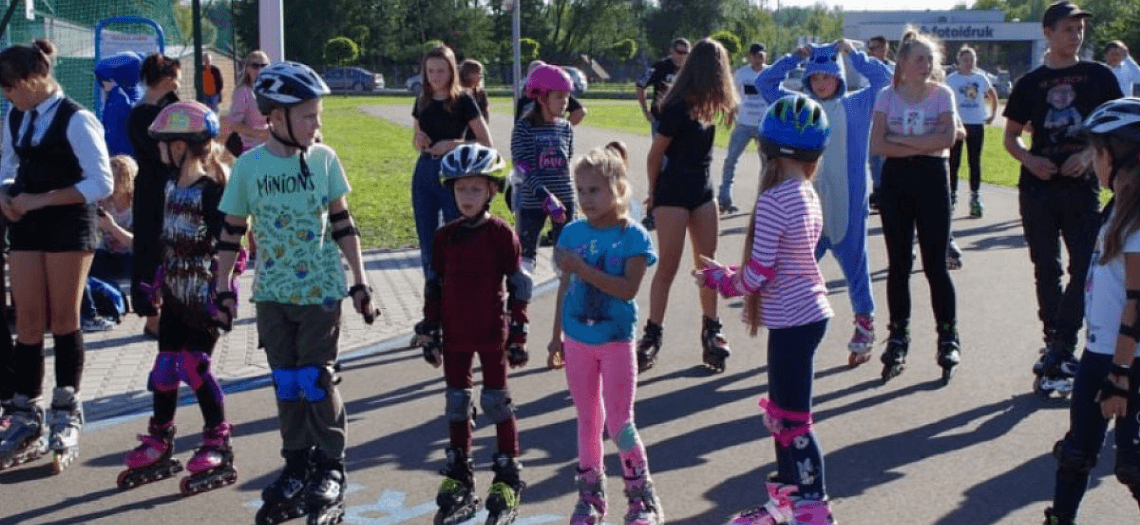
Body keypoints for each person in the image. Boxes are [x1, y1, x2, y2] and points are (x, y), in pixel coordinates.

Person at [213, 61, 374, 524]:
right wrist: (224, 288)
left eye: (318, 115)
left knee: (316, 378)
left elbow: (343, 222)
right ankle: (297, 463)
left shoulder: (324, 160)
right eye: (309, 116)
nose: (317, 125)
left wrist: (360, 281)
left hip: (322, 289)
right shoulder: (248, 167)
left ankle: (331, 466)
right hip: (272, 294)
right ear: (276, 117)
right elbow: (231, 233)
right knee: (286, 381)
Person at [696, 93, 837, 525]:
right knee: (782, 415)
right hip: (805, 314)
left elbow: (757, 278)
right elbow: (777, 265)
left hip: (795, 319)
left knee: (793, 419)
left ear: (765, 148)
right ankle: (787, 502)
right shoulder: (806, 193)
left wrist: (723, 281)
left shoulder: (776, 200)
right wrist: (735, 273)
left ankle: (812, 505)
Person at [0, 39, 113, 473]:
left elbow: (100, 182)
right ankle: (26, 413)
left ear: (31, 80)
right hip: (26, 222)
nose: (7, 96)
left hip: (68, 225)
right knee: (27, 320)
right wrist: (7, 194)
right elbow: (8, 165)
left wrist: (43, 199)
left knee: (63, 319)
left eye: (10, 88)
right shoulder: (15, 116)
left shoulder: (77, 118)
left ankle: (67, 409)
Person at [117, 101, 240, 494]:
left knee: (194, 364)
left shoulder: (212, 190)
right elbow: (169, 241)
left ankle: (217, 439)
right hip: (173, 294)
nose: (160, 149)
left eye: (165, 143)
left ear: (183, 145)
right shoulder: (171, 186)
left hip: (202, 295)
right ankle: (160, 439)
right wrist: (155, 281)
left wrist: (225, 291)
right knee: (165, 369)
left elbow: (235, 245)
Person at [1002, 0, 1123, 397]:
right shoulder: (1030, 83)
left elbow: (1118, 127)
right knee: (1046, 267)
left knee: (1084, 265)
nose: (1076, 35)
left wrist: (1090, 155)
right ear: (1048, 33)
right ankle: (1055, 341)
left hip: (1082, 188)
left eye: (1079, 29)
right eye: (1068, 29)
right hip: (1038, 186)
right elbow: (1012, 135)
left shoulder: (1098, 76)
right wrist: (1029, 158)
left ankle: (1062, 346)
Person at [548, 142, 664, 525]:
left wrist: (582, 266)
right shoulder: (571, 234)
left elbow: (627, 289)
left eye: (594, 190)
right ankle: (590, 498)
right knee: (586, 419)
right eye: (580, 190)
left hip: (615, 342)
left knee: (619, 421)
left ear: (617, 188)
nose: (586, 198)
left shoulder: (632, 236)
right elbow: (564, 288)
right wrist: (555, 337)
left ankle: (641, 498)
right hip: (577, 341)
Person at [414, 144, 530, 525]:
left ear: (493, 190)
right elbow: (435, 286)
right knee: (456, 402)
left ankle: (507, 470)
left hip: (491, 334)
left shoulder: (501, 234)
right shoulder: (444, 237)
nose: (466, 197)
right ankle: (461, 469)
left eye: (475, 189)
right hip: (455, 334)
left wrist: (518, 334)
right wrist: (430, 328)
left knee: (497, 401)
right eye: (461, 189)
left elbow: (518, 286)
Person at [758, 38, 891, 367]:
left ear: (839, 77)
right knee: (795, 271)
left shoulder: (858, 106)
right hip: (808, 212)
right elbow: (764, 83)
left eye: (827, 77)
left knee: (857, 270)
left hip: (848, 207)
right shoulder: (799, 108)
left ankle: (864, 326)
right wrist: (793, 58)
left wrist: (854, 54)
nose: (821, 83)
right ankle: (793, 325)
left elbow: (883, 79)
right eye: (815, 78)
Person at [1042, 97, 1140, 525]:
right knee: (1077, 451)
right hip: (1098, 355)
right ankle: (1060, 519)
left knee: (1132, 462)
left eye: (1096, 152)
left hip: (1127, 361)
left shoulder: (1137, 223)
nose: (1091, 162)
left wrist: (1119, 377)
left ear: (1119, 156)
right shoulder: (1116, 211)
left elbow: (1137, 304)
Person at [636, 38, 738, 373]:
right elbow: (655, 155)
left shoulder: (711, 104)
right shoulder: (678, 106)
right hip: (673, 192)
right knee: (668, 266)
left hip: (702, 191)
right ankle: (652, 334)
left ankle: (712, 329)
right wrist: (653, 194)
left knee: (709, 267)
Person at [870, 27, 962, 384]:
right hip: (896, 182)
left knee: (935, 264)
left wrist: (903, 143)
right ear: (904, 64)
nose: (926, 65)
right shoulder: (886, 96)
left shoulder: (943, 95)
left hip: (932, 180)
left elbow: (948, 139)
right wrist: (924, 145)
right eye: (919, 59)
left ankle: (948, 335)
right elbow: (878, 144)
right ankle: (898, 335)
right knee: (898, 265)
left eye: (930, 59)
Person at [411, 44, 491, 280]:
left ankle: (458, 294)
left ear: (452, 72)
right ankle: (433, 299)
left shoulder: (464, 100)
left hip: (455, 174)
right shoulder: (422, 100)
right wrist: (419, 140)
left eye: (441, 71)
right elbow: (417, 137)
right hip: (425, 170)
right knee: (427, 241)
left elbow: (485, 142)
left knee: (456, 237)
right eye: (430, 71)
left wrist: (453, 144)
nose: (435, 77)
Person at [128, 53, 181, 340]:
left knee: (176, 245)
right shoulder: (141, 114)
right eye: (176, 75)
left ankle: (176, 307)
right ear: (165, 78)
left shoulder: (172, 106)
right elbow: (161, 156)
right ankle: (151, 315)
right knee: (150, 248)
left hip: (176, 185)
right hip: (152, 189)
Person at [511, 64, 575, 273]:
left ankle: (567, 300)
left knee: (565, 259)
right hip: (534, 200)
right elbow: (523, 165)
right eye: (559, 97)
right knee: (526, 257)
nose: (564, 103)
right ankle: (520, 299)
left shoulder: (566, 127)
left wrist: (566, 197)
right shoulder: (524, 127)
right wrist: (545, 196)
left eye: (566, 97)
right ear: (541, 97)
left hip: (564, 199)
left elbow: (567, 161)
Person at [80, 155, 137, 332]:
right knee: (82, 263)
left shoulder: (137, 206)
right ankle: (97, 304)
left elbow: (139, 245)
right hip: (106, 258)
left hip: (130, 260)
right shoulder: (103, 204)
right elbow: (95, 243)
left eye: (115, 177)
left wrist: (112, 227)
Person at [946, 45, 998, 218]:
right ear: (959, 61)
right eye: (965, 60)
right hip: (958, 125)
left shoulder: (981, 78)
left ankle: (975, 199)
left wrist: (992, 114)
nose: (968, 63)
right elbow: (944, 100)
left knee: (974, 162)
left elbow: (992, 95)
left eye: (972, 60)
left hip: (976, 124)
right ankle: (951, 197)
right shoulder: (951, 79)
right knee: (954, 162)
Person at [718, 42, 769, 215]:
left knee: (768, 164)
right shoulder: (741, 74)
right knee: (731, 159)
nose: (758, 58)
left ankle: (765, 201)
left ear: (765, 56)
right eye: (755, 55)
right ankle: (725, 197)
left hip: (765, 125)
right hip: (744, 123)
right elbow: (733, 96)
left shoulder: (770, 73)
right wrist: (731, 116)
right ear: (750, 56)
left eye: (761, 55)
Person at [94, 51, 143, 156]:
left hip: (122, 156)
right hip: (130, 155)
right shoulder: (136, 91)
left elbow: (113, 132)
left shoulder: (118, 97)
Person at [866, 35, 895, 211]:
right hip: (871, 119)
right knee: (873, 157)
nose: (870, 51)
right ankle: (878, 190)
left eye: (874, 48)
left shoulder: (893, 69)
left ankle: (888, 190)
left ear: (884, 48)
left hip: (890, 119)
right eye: (869, 48)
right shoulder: (866, 68)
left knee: (887, 157)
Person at [514, 60, 588, 125]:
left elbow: (580, 111)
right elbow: (518, 125)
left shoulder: (557, 95)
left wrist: (563, 126)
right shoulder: (524, 101)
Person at [226, 50, 271, 154]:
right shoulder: (243, 92)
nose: (259, 70)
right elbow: (233, 125)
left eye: (264, 66)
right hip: (252, 150)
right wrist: (261, 133)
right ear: (247, 69)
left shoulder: (270, 90)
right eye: (255, 66)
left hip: (271, 147)